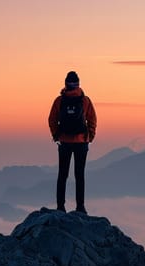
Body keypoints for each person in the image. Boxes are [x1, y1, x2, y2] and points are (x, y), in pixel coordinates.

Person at [48, 71, 97, 213]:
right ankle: (80, 207)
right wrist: (90, 137)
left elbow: (52, 119)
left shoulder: (59, 101)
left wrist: (56, 135)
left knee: (62, 175)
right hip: (81, 142)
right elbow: (92, 119)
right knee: (79, 175)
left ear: (65, 84)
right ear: (78, 84)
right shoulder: (85, 100)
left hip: (64, 142)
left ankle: (60, 206)